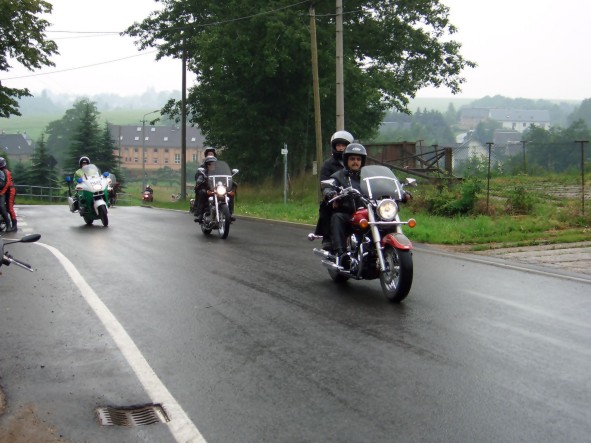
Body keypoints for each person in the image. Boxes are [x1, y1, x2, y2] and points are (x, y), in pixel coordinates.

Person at [323, 143, 367, 267]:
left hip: (367, 213)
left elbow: (381, 184)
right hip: (349, 213)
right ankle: (341, 253)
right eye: (352, 159)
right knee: (337, 217)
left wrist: (401, 192)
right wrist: (331, 193)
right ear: (346, 160)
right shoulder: (339, 176)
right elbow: (329, 186)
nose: (355, 162)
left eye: (358, 159)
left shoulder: (367, 177)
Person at [315, 130, 354, 250]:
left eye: (344, 145)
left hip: (355, 197)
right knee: (326, 206)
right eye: (339, 145)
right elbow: (324, 183)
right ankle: (327, 238)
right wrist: (330, 193)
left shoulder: (355, 162)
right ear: (334, 146)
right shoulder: (328, 164)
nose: (341, 148)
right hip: (338, 196)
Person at [193, 156, 217, 223]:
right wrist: (200, 180)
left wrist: (230, 181)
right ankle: (200, 214)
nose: (211, 165)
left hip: (217, 190)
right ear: (206, 165)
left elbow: (225, 178)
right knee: (202, 192)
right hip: (207, 189)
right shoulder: (203, 172)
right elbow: (199, 179)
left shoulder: (219, 172)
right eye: (209, 164)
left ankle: (229, 213)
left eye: (213, 163)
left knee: (229, 193)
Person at [0, 157, 16, 232]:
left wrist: (2, 192)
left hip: (10, 190)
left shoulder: (6, 171)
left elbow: (7, 183)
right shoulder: (1, 171)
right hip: (5, 190)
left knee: (9, 208)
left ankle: (14, 225)